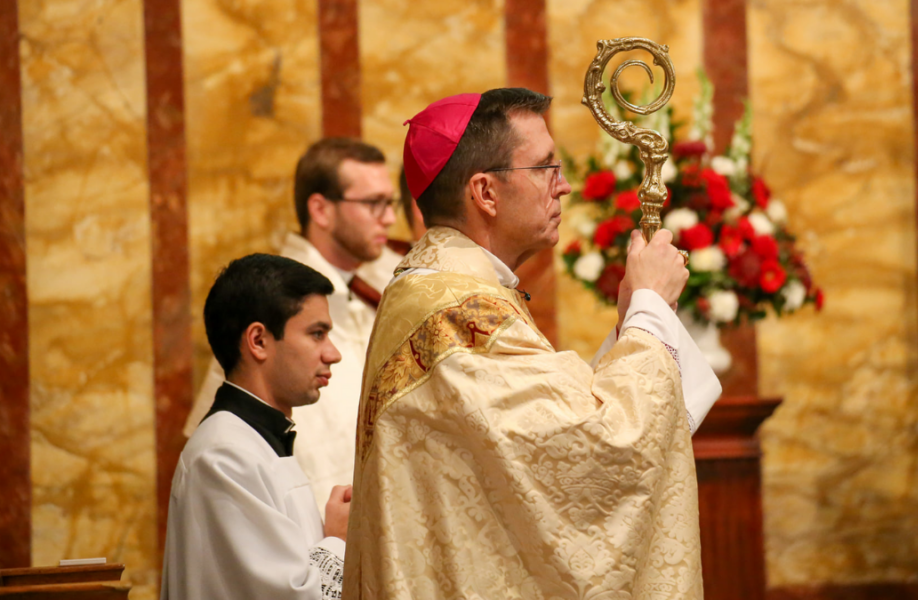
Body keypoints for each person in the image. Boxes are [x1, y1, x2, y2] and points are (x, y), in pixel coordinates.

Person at [343, 89, 722, 599]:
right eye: (545, 167)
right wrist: (650, 306)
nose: (563, 186)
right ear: (485, 193)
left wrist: (634, 321)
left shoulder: (453, 288)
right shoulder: (453, 309)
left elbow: (545, 439)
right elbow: (603, 444)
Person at [184, 138, 402, 513]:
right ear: (320, 209)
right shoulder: (270, 303)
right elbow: (218, 446)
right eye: (372, 203)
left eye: (391, 202)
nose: (389, 218)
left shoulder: (379, 293)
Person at [162, 253, 349, 599]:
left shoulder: (258, 441)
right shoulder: (224, 457)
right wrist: (338, 540)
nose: (333, 353)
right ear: (258, 341)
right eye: (317, 334)